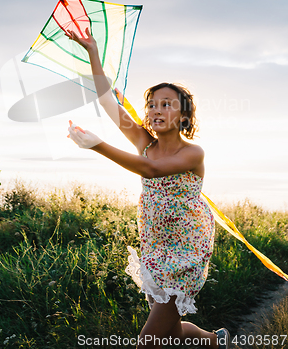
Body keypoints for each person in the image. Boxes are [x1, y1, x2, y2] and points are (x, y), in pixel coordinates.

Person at [66, 27, 230, 348]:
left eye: (166, 104)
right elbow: (107, 101)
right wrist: (93, 54)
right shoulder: (145, 142)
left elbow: (151, 170)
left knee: (149, 342)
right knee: (174, 332)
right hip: (156, 247)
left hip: (186, 251)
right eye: (152, 104)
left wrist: (97, 145)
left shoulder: (192, 153)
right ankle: (214, 341)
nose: (156, 110)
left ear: (183, 117)